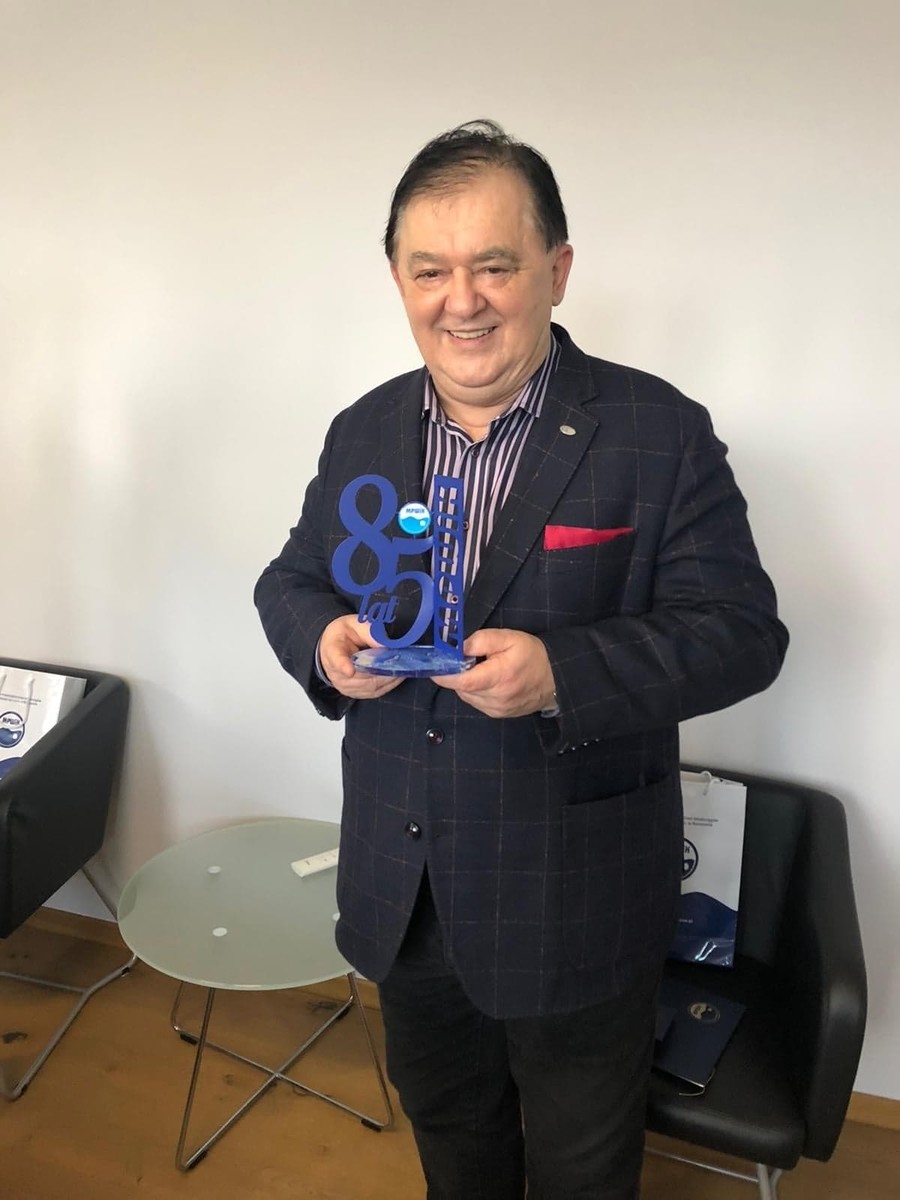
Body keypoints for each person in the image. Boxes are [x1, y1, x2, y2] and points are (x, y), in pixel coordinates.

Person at [255, 119, 788, 1200]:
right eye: (430, 271)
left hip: (574, 898)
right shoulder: (363, 429)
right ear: (397, 280)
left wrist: (561, 674)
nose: (463, 301)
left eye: (495, 265)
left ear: (558, 269)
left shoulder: (657, 431)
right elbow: (292, 579)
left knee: (584, 1164)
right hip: (404, 890)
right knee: (452, 1133)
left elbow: (742, 632)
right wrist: (323, 641)